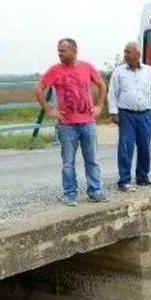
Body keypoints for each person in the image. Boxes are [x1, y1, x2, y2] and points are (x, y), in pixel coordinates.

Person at [34, 38, 107, 206]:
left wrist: (99, 105)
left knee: (92, 159)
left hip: (88, 122)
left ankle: (95, 191)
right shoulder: (55, 70)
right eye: (58, 51)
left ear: (74, 51)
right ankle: (70, 193)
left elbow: (101, 85)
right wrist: (49, 109)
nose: (59, 54)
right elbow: (38, 89)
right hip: (67, 125)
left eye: (63, 51)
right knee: (68, 162)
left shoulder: (87, 67)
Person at [108, 41, 151, 191]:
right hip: (126, 115)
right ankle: (124, 180)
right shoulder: (119, 72)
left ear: (137, 54)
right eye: (125, 52)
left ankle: (142, 177)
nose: (125, 54)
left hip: (145, 115)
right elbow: (112, 93)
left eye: (128, 52)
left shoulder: (149, 71)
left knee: (144, 147)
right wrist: (113, 112)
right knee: (125, 148)